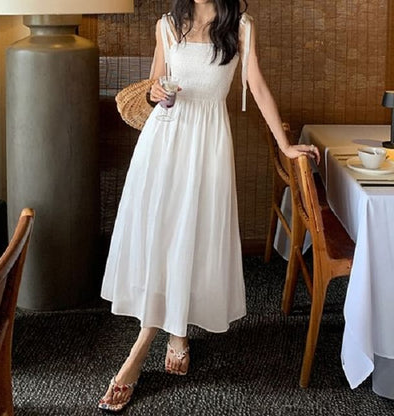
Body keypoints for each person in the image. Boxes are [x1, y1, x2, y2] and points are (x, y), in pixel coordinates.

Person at [98, 0, 320, 412]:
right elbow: (154, 85)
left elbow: (257, 85)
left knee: (192, 237)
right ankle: (155, 342)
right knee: (163, 238)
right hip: (163, 143)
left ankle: (161, 339)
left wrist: (285, 145)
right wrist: (155, 92)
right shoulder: (167, 25)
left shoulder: (241, 26)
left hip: (208, 145)